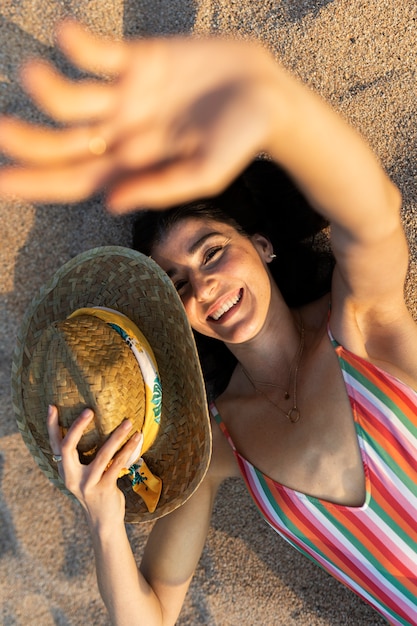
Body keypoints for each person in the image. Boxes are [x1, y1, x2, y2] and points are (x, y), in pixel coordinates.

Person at [1, 20, 416, 626]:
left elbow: (375, 216)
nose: (205, 286)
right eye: (178, 285)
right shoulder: (218, 444)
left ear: (263, 245)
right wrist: (103, 522)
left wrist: (277, 107)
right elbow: (154, 614)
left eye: (213, 251)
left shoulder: (357, 325)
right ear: (182, 319)